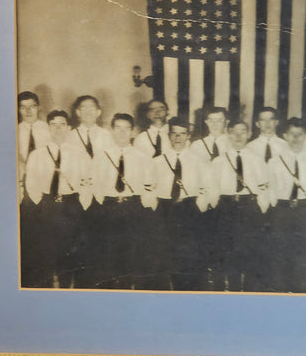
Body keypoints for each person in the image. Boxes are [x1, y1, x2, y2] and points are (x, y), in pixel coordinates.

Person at [24, 110, 92, 288]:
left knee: (70, 252)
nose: (58, 129)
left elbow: (88, 181)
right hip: (47, 206)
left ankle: (66, 287)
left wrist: (81, 204)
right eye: (53, 125)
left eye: (62, 125)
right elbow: (31, 183)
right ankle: (48, 291)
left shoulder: (79, 154)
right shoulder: (37, 154)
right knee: (47, 250)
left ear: (69, 128)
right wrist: (42, 204)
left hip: (71, 206)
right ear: (48, 128)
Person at [91, 113, 155, 289]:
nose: (122, 132)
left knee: (132, 252)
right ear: (112, 130)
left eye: (126, 128)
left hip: (133, 206)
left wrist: (141, 208)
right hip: (108, 207)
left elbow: (149, 186)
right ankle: (111, 290)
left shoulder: (142, 157)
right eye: (118, 128)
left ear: (133, 131)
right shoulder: (101, 156)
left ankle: (128, 288)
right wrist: (103, 206)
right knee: (108, 252)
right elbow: (95, 184)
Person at [210, 121, 270, 292]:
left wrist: (260, 208)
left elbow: (264, 187)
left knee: (248, 250)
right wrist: (218, 208)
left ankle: (249, 291)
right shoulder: (219, 161)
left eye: (242, 132)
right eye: (234, 132)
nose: (238, 136)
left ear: (249, 134)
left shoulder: (257, 160)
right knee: (226, 251)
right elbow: (213, 188)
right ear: (228, 134)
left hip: (249, 208)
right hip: (225, 207)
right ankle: (229, 289)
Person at [152, 117, 210, 290]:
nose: (178, 138)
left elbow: (206, 187)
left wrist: (198, 207)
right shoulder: (158, 161)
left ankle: (189, 290)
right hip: (165, 209)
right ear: (168, 135)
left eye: (182, 134)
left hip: (189, 209)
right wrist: (157, 207)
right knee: (166, 253)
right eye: (174, 133)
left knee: (189, 253)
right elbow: (151, 187)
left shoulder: (198, 161)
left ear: (188, 136)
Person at [267, 118, 306, 292]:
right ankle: (282, 290)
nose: (296, 138)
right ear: (285, 136)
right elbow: (270, 186)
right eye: (292, 134)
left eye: (300, 134)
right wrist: (277, 205)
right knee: (281, 251)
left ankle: (304, 291)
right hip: (282, 210)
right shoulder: (275, 161)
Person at [17, 91, 50, 199]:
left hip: (46, 179)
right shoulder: (14, 131)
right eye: (23, 107)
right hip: (22, 181)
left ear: (38, 108)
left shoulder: (49, 129)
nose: (28, 111)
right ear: (18, 110)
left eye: (32, 107)